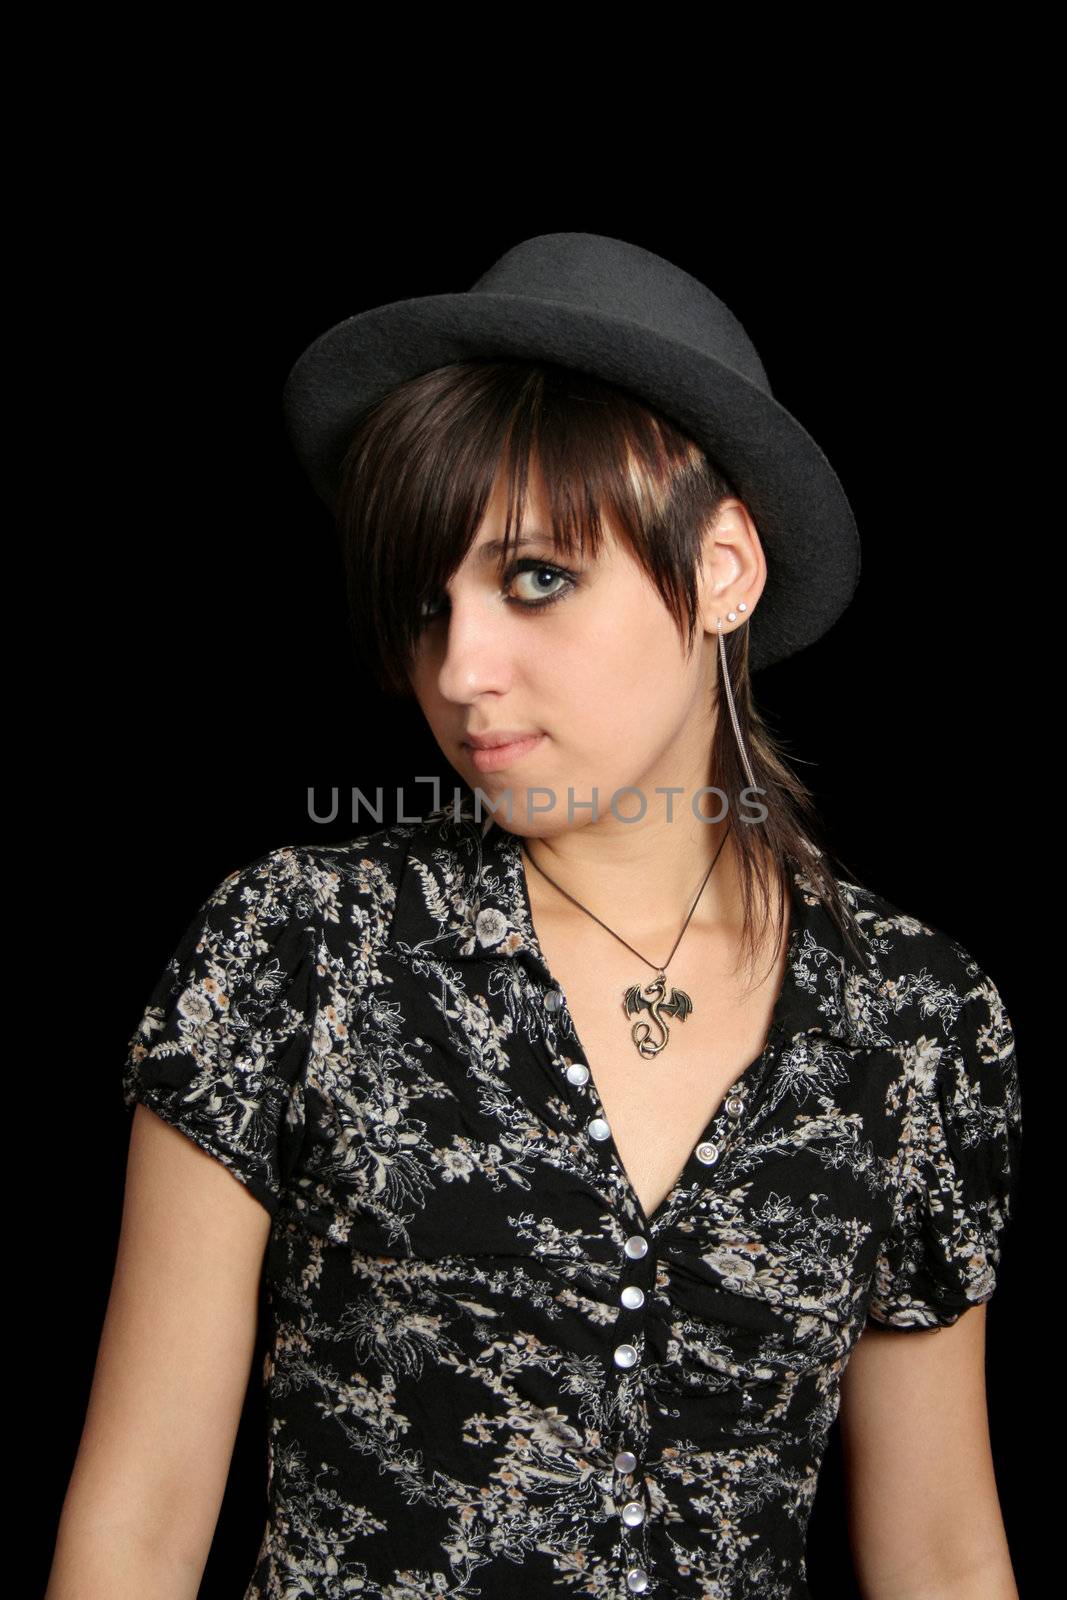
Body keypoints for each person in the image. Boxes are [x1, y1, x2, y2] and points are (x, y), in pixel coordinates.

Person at [48, 234, 1022, 1600]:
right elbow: (138, 1525)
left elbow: (939, 1549)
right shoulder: (301, 948)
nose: (459, 669)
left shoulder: (916, 1021)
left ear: (725, 569)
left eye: (536, 578)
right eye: (427, 601)